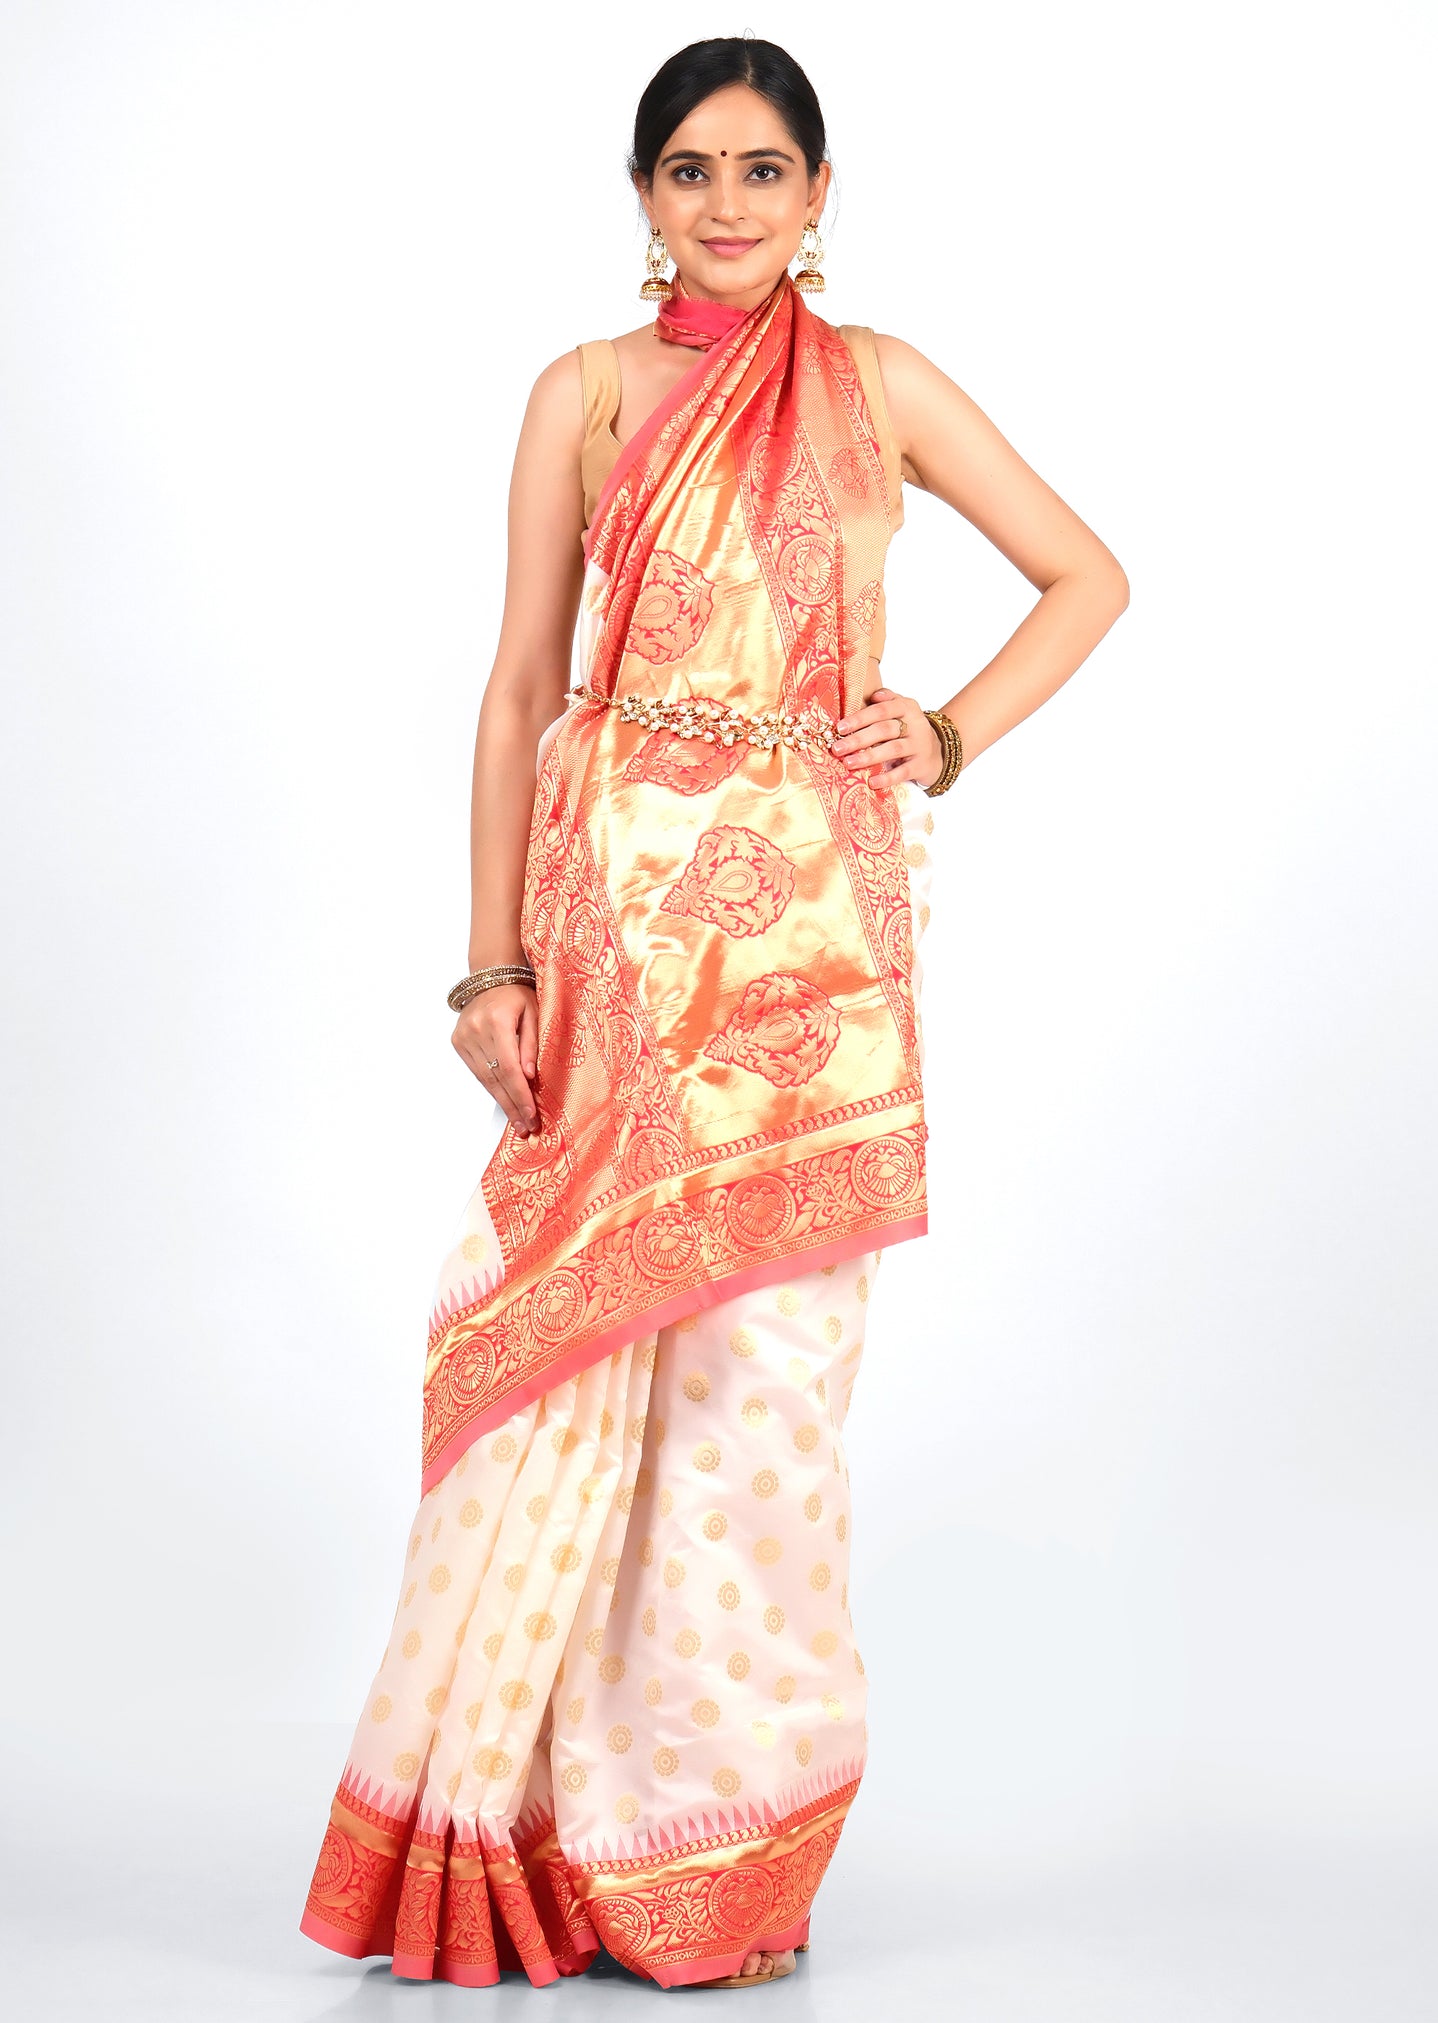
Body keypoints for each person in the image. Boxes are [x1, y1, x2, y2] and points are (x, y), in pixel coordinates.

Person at [299, 34, 1128, 1994]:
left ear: (821, 194)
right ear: (643, 193)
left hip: (814, 963)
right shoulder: (583, 397)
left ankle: (715, 1859)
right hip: (608, 948)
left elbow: (1087, 576)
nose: (730, 202)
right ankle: (518, 1843)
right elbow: (516, 690)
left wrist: (942, 730)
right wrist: (490, 964)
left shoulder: (882, 387)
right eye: (693, 168)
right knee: (561, 1379)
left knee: (765, 1410)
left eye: (766, 169)